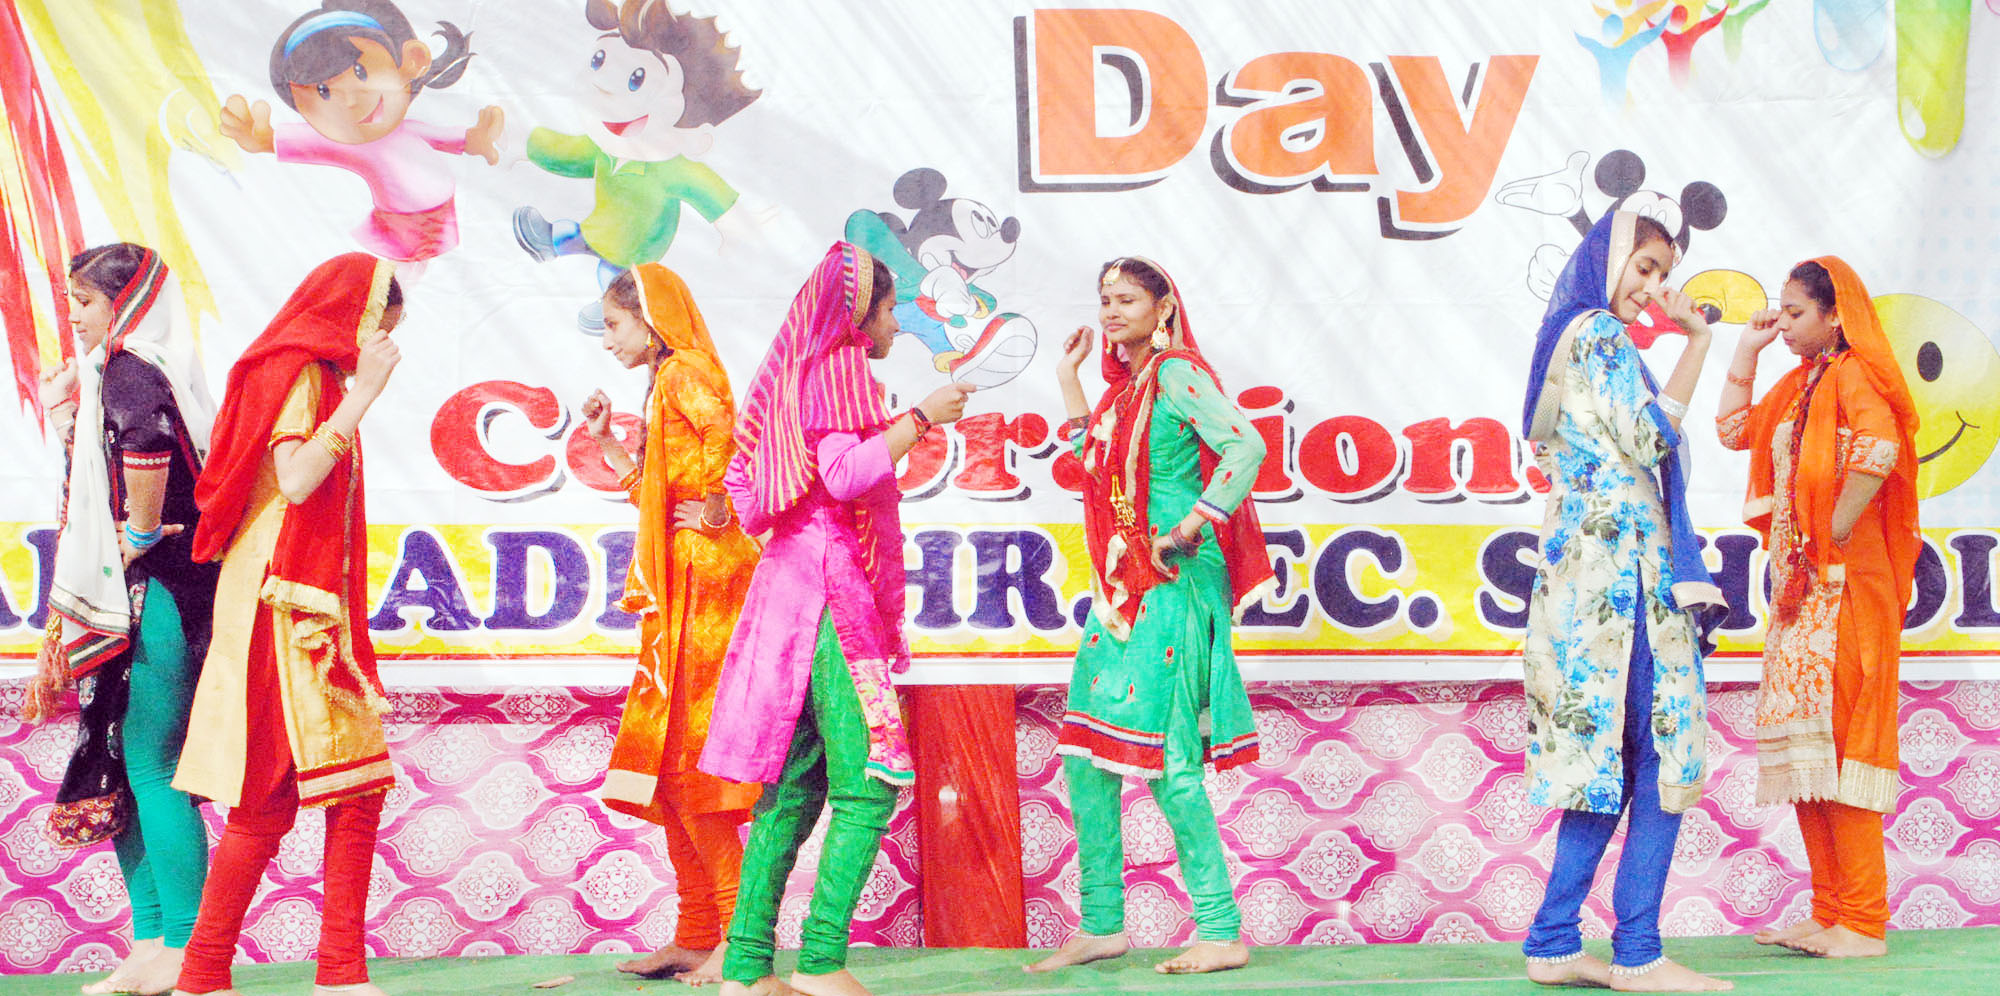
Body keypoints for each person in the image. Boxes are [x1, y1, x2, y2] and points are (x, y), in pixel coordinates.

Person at [699, 242, 975, 996]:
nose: (893, 322)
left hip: (787, 593)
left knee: (792, 791)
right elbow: (844, 474)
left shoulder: (790, 376)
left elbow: (760, 489)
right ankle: (821, 961)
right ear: (859, 312)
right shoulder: (841, 368)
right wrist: (922, 418)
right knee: (872, 783)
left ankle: (750, 969)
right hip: (830, 596)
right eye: (888, 308)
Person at [1024, 256, 1270, 977]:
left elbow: (1245, 445)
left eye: (1127, 299)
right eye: (1104, 299)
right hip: (1124, 588)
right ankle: (1102, 925)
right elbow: (1095, 470)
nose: (1110, 311)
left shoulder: (1176, 373)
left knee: (1169, 763)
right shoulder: (1127, 390)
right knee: (1084, 754)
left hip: (1173, 580)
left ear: (1164, 307)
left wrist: (1194, 523)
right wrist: (1069, 381)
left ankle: (1221, 930)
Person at [170, 253, 403, 996]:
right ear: (359, 316)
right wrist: (362, 394)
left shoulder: (307, 373)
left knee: (351, 787)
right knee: (268, 796)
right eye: (382, 328)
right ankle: (212, 970)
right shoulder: (305, 374)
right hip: (286, 607)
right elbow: (299, 480)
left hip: (298, 605)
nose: (380, 344)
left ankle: (323, 970)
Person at [1517, 211, 1732, 992]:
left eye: (1660, 271)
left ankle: (1552, 941)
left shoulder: (1567, 338)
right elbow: (1652, 442)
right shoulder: (1602, 336)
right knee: (1663, 750)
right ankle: (1636, 952)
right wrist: (1699, 344)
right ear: (1607, 260)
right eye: (1642, 266)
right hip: (1627, 583)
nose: (1654, 288)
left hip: (1583, 583)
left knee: (1605, 761)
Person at [26, 244, 219, 996]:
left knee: (151, 766)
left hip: (153, 595)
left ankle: (187, 946)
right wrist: (68, 409)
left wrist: (137, 534)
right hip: (135, 598)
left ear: (127, 301)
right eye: (70, 298)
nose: (72, 312)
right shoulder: (123, 367)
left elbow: (144, 446)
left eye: (84, 299)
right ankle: (149, 946)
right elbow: (109, 457)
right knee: (123, 772)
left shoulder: (134, 365)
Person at [1716, 258, 1918, 959]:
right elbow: (1734, 429)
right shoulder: (1804, 384)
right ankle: (1829, 909)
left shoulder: (1855, 375)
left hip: (1846, 597)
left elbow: (1881, 447)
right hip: (1800, 599)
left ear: (1835, 316)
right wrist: (1748, 347)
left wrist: (1832, 528)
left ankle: (1862, 922)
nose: (1788, 321)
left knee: (1843, 753)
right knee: (1808, 757)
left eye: (1796, 312)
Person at [581, 264, 761, 983]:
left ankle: (737, 935)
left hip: (709, 588)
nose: (607, 342)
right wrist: (606, 440)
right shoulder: (666, 386)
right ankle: (694, 930)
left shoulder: (686, 371)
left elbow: (741, 452)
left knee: (693, 763)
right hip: (679, 587)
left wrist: (720, 508)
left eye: (615, 325)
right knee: (667, 765)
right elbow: (653, 497)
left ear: (651, 317)